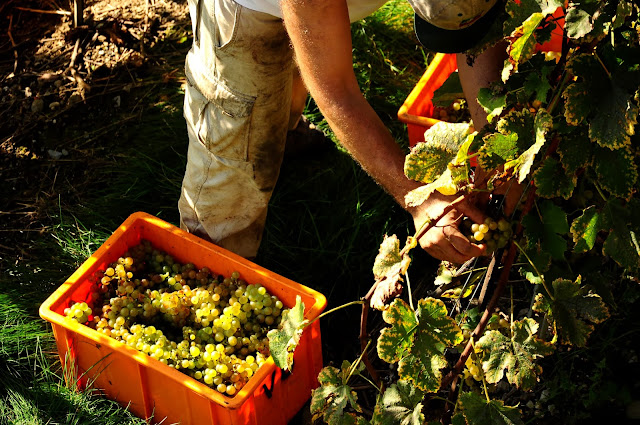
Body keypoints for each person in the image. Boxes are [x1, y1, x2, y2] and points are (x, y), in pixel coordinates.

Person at [178, 0, 505, 264]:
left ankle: (281, 137)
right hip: (243, 8)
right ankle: (208, 265)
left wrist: (496, 148)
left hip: (313, 7)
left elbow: (476, 37)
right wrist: (420, 200)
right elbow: (335, 91)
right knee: (235, 146)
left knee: (296, 72)